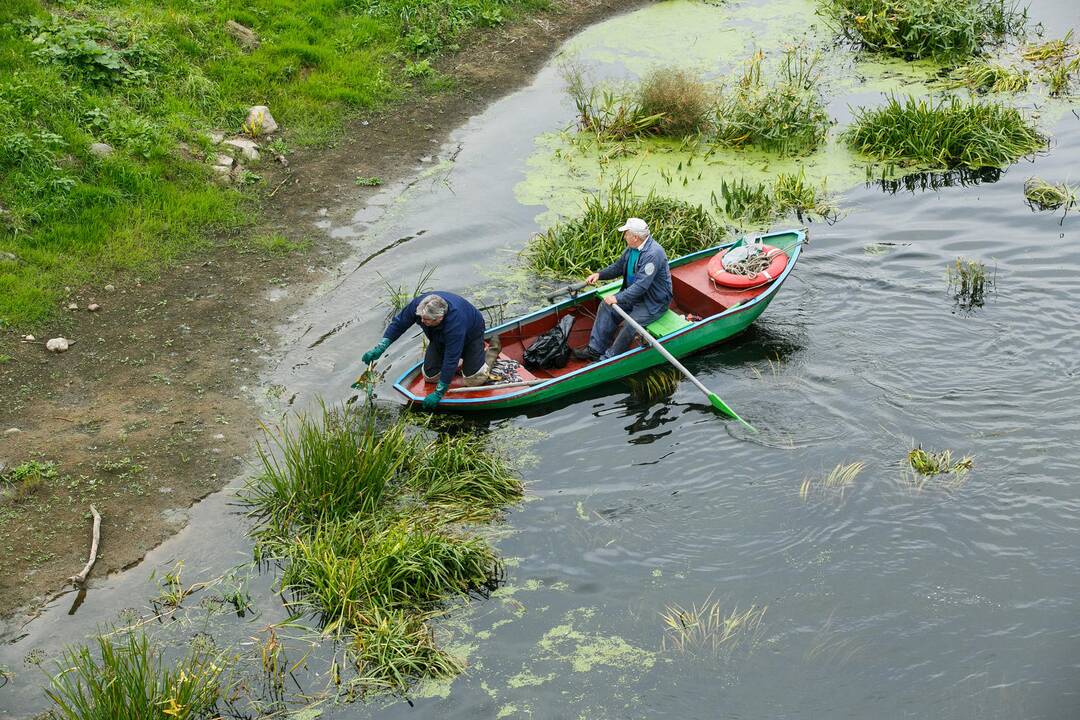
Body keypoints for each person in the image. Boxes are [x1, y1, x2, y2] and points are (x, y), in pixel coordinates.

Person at [362, 292, 487, 409]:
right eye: (421, 317)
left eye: (426, 320)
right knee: (430, 377)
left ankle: (487, 353)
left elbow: (451, 358)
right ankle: (460, 361)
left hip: (472, 335)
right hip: (439, 337)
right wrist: (380, 347)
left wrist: (439, 392)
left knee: (474, 380)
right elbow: (399, 324)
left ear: (440, 317)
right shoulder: (419, 306)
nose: (422, 321)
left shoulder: (455, 323)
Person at [573, 217, 672, 362]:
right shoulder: (632, 249)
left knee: (630, 323)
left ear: (636, 237)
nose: (624, 236)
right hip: (634, 295)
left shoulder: (653, 254)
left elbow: (641, 286)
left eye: (626, 233)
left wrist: (617, 298)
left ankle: (608, 359)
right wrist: (599, 275)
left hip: (652, 302)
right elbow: (618, 267)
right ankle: (595, 349)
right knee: (606, 307)